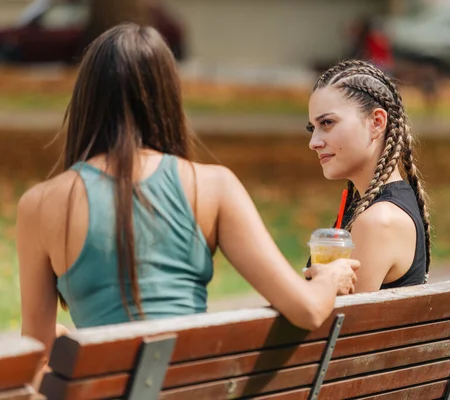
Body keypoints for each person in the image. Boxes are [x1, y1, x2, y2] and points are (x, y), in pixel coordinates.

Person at [16, 24, 359, 381]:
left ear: (87, 99)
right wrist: (330, 277)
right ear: (166, 96)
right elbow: (306, 309)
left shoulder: (41, 204)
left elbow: (34, 357)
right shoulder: (211, 186)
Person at [305, 59, 431, 292]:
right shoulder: (388, 204)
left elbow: (343, 326)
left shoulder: (377, 221)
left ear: (376, 122)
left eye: (327, 123)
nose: (314, 142)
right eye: (313, 128)